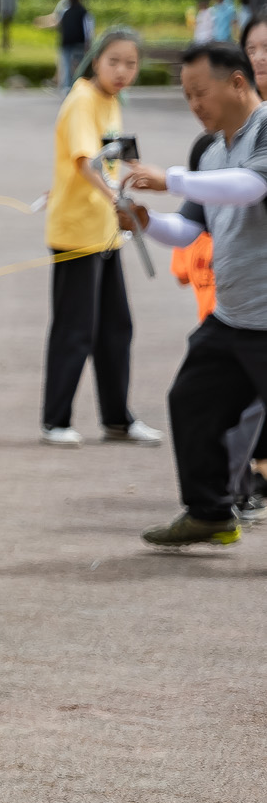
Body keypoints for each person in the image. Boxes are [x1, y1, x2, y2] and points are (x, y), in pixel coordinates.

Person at [120, 43, 267, 545]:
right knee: (191, 401)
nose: (195, 105)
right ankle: (210, 513)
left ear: (238, 84)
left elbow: (250, 187)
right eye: (186, 96)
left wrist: (173, 178)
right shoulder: (210, 149)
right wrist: (144, 221)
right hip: (233, 317)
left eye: (200, 93)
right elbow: (188, 230)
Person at [41, 28, 161, 448]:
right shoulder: (81, 101)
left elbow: (114, 154)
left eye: (131, 64)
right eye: (115, 62)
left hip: (105, 233)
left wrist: (135, 176)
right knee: (76, 328)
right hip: (77, 233)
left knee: (115, 327)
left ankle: (116, 419)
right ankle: (55, 420)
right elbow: (85, 161)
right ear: (96, 61)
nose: (123, 71)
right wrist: (113, 195)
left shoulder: (110, 102)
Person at [36, 0, 93, 89]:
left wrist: (42, 23)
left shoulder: (65, 8)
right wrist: (88, 43)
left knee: (66, 66)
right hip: (79, 42)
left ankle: (66, 87)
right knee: (79, 66)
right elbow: (88, 29)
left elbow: (56, 20)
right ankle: (77, 86)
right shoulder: (84, 11)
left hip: (66, 41)